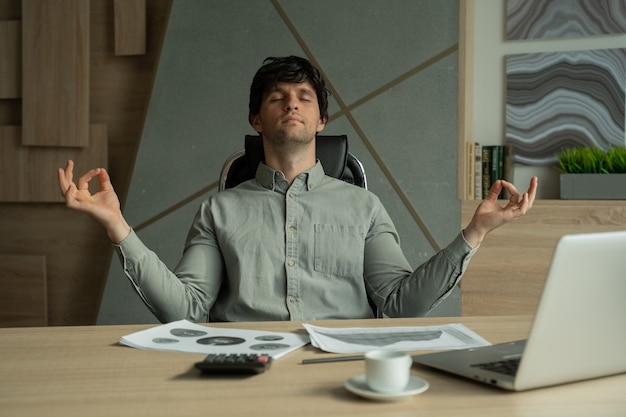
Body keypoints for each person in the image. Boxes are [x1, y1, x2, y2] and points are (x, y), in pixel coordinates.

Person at [58, 56, 538, 323]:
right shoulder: (218, 211)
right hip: (242, 369)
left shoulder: (364, 207)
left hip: (344, 371)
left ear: (322, 120)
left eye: (304, 98)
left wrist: (475, 232)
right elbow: (186, 310)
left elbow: (399, 305)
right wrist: (117, 225)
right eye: (277, 98)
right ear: (255, 118)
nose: (292, 104)